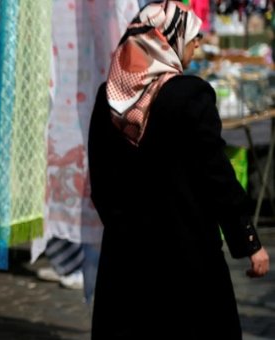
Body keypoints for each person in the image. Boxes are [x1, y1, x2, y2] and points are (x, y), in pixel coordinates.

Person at [87, 1, 269, 339]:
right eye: (193, 37)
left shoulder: (109, 99)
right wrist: (248, 241)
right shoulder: (189, 96)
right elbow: (216, 176)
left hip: (126, 265)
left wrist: (124, 227)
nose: (198, 43)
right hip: (187, 260)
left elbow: (100, 182)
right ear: (166, 38)